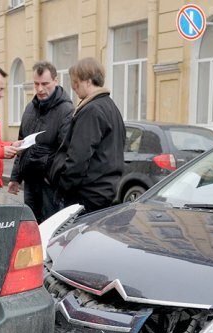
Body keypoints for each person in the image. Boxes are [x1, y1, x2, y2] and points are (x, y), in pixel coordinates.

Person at [47, 57, 125, 213]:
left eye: (76, 82)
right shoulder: (111, 107)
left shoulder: (91, 110)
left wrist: (64, 187)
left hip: (86, 196)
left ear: (88, 81)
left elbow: (78, 157)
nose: (73, 87)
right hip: (105, 192)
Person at [8, 61, 74, 222]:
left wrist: (51, 177)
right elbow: (22, 144)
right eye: (36, 84)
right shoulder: (30, 108)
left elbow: (66, 150)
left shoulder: (66, 110)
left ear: (55, 81)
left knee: (49, 229)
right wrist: (15, 177)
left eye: (45, 84)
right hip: (30, 183)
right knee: (32, 229)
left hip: (49, 186)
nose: (40, 89)